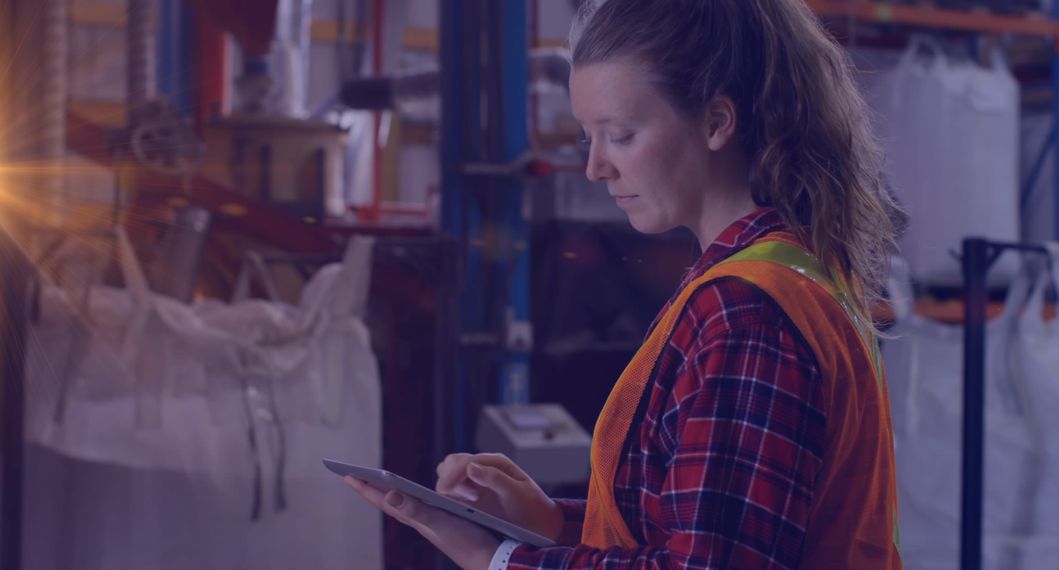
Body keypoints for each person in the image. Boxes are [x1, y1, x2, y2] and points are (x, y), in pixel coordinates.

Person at [346, 0, 904, 568]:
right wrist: (551, 521)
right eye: (590, 138)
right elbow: (700, 524)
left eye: (620, 135)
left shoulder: (745, 311)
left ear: (716, 122)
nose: (596, 168)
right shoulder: (782, 270)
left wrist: (498, 559)